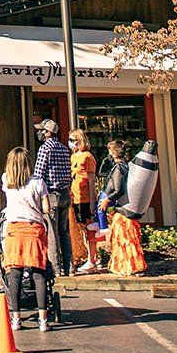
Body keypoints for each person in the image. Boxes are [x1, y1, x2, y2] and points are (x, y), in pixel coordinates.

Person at [0, 145, 53, 332]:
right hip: (34, 229)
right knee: (38, 273)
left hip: (14, 229)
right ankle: (43, 319)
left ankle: (16, 319)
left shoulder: (6, 179)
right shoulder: (38, 182)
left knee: (15, 273)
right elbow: (46, 208)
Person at [31, 118, 74, 278]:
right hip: (65, 193)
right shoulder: (64, 149)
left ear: (48, 133)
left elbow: (38, 175)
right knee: (64, 232)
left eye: (41, 130)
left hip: (51, 195)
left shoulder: (44, 149)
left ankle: (56, 268)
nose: (39, 133)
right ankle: (70, 267)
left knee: (52, 233)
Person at [100, 140, 146, 276]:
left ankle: (128, 266)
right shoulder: (127, 166)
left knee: (123, 239)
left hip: (122, 209)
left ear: (113, 152)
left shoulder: (118, 168)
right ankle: (133, 265)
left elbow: (118, 189)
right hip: (129, 206)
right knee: (130, 239)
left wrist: (107, 200)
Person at [70, 131, 101, 273]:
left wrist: (92, 202)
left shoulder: (87, 157)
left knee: (89, 228)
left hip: (86, 197)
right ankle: (88, 256)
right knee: (82, 228)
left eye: (72, 139)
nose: (70, 142)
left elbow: (91, 180)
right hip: (75, 196)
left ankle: (92, 259)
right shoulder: (73, 157)